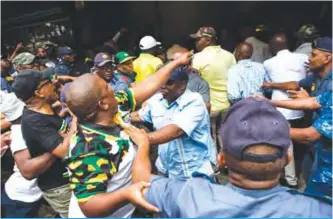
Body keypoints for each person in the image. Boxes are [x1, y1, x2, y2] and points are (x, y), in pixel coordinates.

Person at [130, 97, 332, 218]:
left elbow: (141, 181)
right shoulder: (317, 210)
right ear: (287, 158)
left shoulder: (188, 195)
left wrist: (143, 145)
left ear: (221, 159)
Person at [63, 51, 192, 218]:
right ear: (102, 104)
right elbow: (89, 204)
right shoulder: (88, 147)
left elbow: (144, 87)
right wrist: (126, 194)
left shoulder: (114, 107)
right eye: (106, 87)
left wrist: (175, 63)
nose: (112, 87)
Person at [12, 68, 77, 217]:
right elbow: (64, 150)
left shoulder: (44, 111)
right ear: (39, 93)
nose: (54, 82)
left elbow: (54, 131)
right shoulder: (34, 121)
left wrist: (63, 115)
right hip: (61, 187)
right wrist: (75, 118)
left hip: (67, 179)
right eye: (47, 82)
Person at [131, 66, 216, 179]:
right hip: (166, 171)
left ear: (182, 85)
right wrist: (118, 117)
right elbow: (139, 115)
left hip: (194, 173)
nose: (163, 86)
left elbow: (175, 130)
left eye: (169, 83)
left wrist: (141, 139)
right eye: (161, 82)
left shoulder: (194, 101)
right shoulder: (157, 100)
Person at [254, 91, 332, 202]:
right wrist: (270, 102)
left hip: (329, 174)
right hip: (324, 161)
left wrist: (268, 129)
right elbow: (313, 101)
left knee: (319, 206)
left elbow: (309, 135)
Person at [263, 32, 308, 188]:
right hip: (302, 107)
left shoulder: (268, 63)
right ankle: (300, 173)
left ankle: (290, 179)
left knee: (285, 143)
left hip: (282, 108)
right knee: (301, 142)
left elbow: (268, 85)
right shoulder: (302, 58)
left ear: (274, 46)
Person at [190, 26, 236, 151]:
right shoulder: (229, 56)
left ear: (207, 40)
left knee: (209, 137)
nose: (196, 42)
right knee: (225, 136)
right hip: (227, 104)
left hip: (208, 106)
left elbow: (193, 81)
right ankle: (227, 163)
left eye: (198, 39)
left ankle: (214, 165)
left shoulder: (197, 58)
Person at [1, 92, 44, 218]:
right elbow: (28, 172)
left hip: (23, 194)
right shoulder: (19, 133)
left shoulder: (24, 128)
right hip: (21, 197)